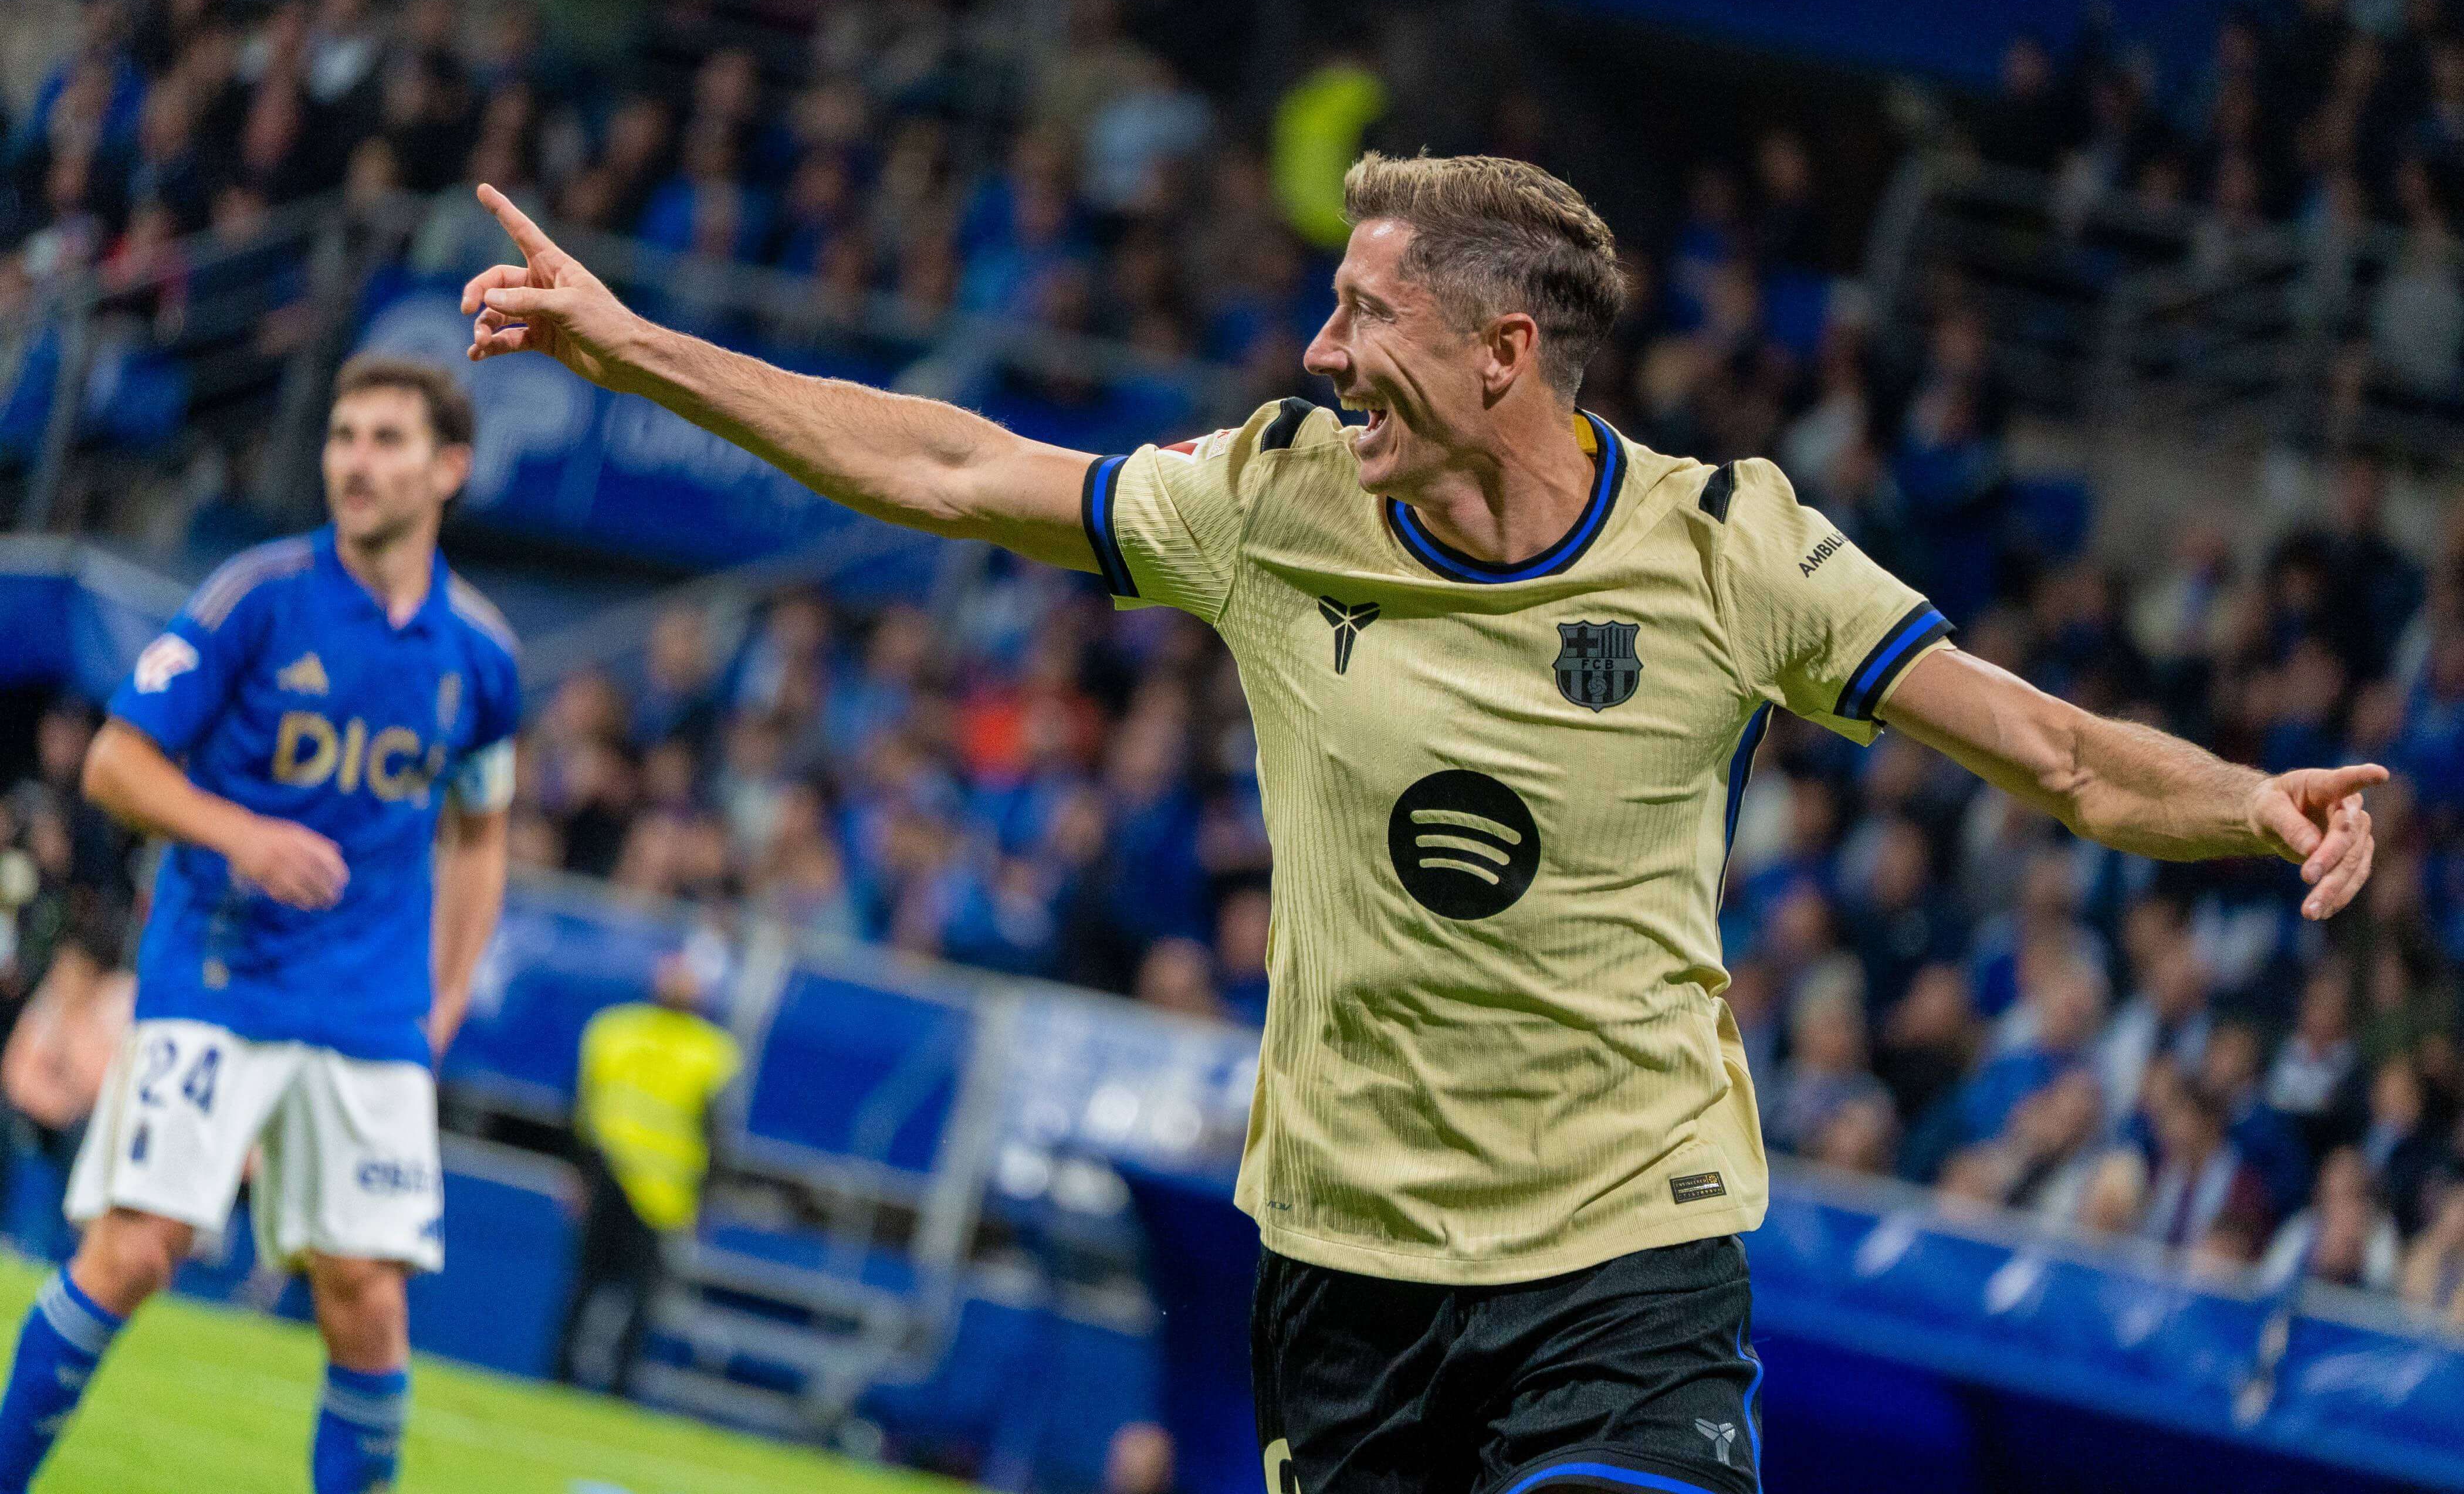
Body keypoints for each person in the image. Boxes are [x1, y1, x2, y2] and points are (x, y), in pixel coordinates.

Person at [459, 156, 2380, 1494]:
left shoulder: (1733, 547)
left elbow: (2046, 749)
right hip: (1350, 1256)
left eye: (1363, 313)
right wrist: (639, 351)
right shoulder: (1269, 503)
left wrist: (2244, 799)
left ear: (1502, 353)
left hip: (1627, 1245)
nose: (1316, 352)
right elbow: (960, 468)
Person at [0, 357, 520, 1494]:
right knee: (138, 1248)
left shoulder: (481, 658)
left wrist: (444, 993)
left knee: (367, 1294)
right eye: (342, 436)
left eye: (386, 439)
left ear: (450, 468)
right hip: (221, 969)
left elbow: (484, 829)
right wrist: (239, 832)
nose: (356, 461)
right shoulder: (256, 595)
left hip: (372, 1003)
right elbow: (115, 760)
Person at [553, 949, 741, 1396]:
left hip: (662, 1190)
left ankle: (618, 1388)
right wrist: (576, 1172)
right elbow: (579, 1106)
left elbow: (716, 1135)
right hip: (610, 1175)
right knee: (586, 1287)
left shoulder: (708, 1050)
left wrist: (703, 1200)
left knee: (637, 1301)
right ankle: (560, 1378)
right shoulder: (617, 1029)